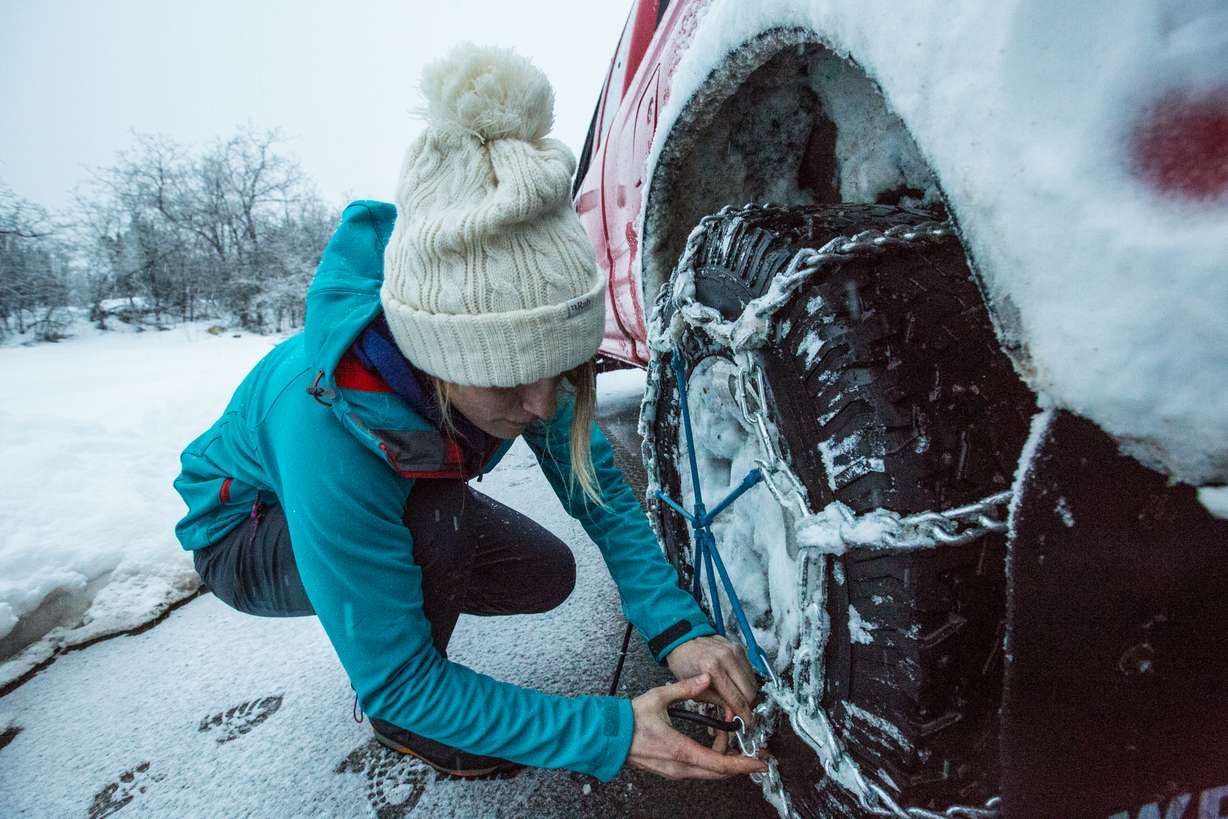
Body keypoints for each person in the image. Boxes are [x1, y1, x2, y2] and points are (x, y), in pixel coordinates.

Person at [173, 43, 765, 784]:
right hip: (249, 532)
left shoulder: (518, 352)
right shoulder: (326, 425)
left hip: (376, 491)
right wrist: (611, 731)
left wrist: (680, 628)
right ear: (438, 358)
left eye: (561, 371)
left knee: (546, 574)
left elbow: (601, 494)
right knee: (433, 530)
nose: (544, 404)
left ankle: (397, 603)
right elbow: (405, 674)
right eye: (513, 384)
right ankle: (407, 724)